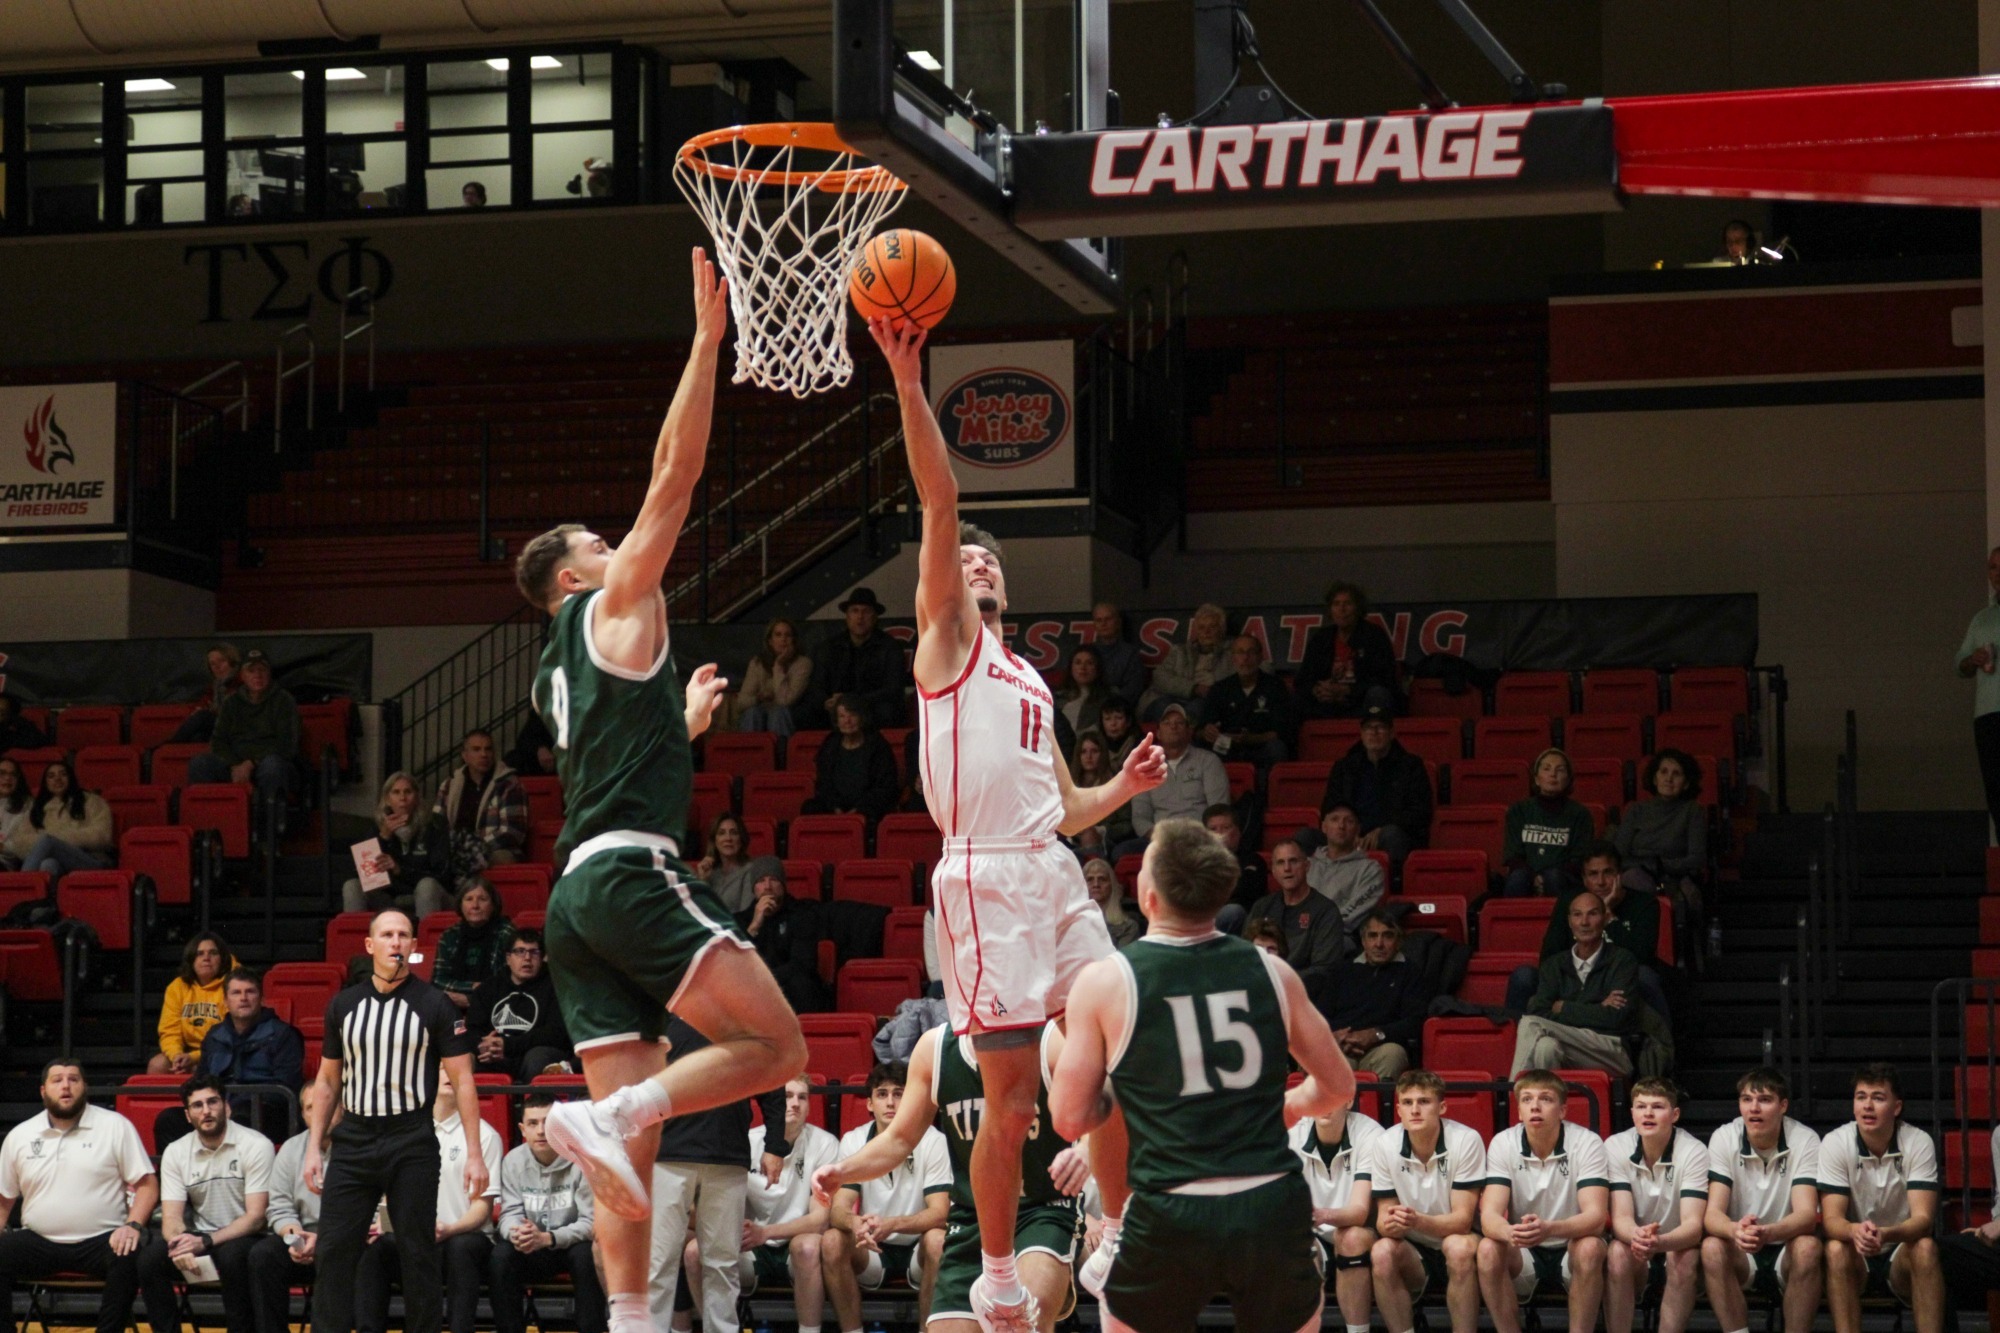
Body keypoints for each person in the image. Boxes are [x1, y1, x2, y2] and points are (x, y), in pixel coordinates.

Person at [512, 253, 809, 1333]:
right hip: (632, 876)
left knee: (620, 1154)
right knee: (779, 1050)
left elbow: (601, 763)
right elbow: (674, 480)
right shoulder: (608, 604)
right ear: (575, 578)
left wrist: (675, 728)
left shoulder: (555, 664)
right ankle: (622, 1109)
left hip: (573, 899)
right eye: (598, 544)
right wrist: (705, 345)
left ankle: (631, 1321)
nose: (617, 543)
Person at [870, 316, 1165, 1333]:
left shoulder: (1027, 674)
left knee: (1116, 1037)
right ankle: (995, 1267)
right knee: (1007, 1101)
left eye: (992, 564)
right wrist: (910, 383)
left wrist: (1118, 791)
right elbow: (939, 498)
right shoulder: (944, 645)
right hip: (982, 880)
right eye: (968, 562)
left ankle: (1115, 1228)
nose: (979, 566)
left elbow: (1063, 809)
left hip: (1049, 867)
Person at [1052, 817, 1355, 1332]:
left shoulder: (1106, 983)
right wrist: (1290, 1106)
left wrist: (1126, 1080)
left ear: (1146, 897)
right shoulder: (1273, 971)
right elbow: (1338, 1086)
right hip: (1269, 1202)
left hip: (1170, 1207)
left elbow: (1070, 1116)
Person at [813, 1023, 1085, 1333]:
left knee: (1026, 1324)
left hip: (1040, 1209)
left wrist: (1087, 1150)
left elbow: (1105, 1102)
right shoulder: (935, 1048)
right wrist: (843, 1170)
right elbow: (899, 1139)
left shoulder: (1052, 1038)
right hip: (972, 1218)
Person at [302, 909, 488, 1333]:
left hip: (412, 1139)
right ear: (370, 946)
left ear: (414, 947)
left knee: (418, 1253)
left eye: (404, 935)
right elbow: (328, 1081)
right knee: (333, 1252)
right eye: (387, 934)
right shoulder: (344, 1004)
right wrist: (315, 1146)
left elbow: (462, 1082)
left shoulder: (434, 1003)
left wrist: (475, 1154)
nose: (396, 942)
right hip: (354, 1140)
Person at [648, 1014, 789, 1333]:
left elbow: (772, 1081)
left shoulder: (746, 1024)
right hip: (668, 1156)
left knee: (723, 1264)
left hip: (728, 1156)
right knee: (658, 1264)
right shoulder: (655, 1018)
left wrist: (775, 1146)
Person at [0, 1061, 161, 1333]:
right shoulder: (20, 1135)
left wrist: (132, 1225)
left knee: (130, 1255)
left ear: (84, 1087)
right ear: (43, 1091)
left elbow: (147, 1184)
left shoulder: (115, 1126)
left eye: (74, 1079)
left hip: (103, 1240)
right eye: (57, 1080)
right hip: (40, 1240)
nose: (66, 1086)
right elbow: (4, 1197)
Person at [355, 1078, 506, 1333]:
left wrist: (448, 1229)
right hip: (415, 1236)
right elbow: (391, 1192)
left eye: (455, 1070)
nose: (449, 1074)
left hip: (464, 1236)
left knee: (461, 1248)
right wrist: (386, 1220)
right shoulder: (405, 1133)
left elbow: (482, 1209)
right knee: (374, 1250)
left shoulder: (484, 1135)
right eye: (441, 1068)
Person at [817, 1061, 951, 1330]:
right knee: (832, 1240)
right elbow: (837, 1208)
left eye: (899, 1093)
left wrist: (891, 1224)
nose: (890, 1102)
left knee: (938, 1240)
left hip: (918, 1250)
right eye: (882, 1094)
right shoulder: (853, 1140)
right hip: (870, 1250)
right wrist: (855, 1223)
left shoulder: (933, 1140)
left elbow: (940, 1213)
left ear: (912, 1099)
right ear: (869, 1104)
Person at [139, 1074, 274, 1333]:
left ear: (227, 1107)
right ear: (188, 1116)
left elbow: (256, 1217)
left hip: (248, 1237)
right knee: (149, 1260)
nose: (206, 1111)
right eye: (197, 1106)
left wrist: (205, 1241)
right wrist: (180, 1245)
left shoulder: (256, 1145)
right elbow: (171, 1218)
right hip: (202, 1238)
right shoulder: (176, 1152)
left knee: (233, 1256)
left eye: (213, 1102)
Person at [1476, 1071, 1610, 1333]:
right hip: (1524, 1250)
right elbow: (1489, 1216)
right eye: (1527, 1099)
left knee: (1591, 1247)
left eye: (1545, 1099)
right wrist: (1510, 1231)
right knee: (1488, 1248)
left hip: (1572, 1245)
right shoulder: (1503, 1142)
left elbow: (1595, 1217)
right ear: (1519, 1112)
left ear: (1562, 1110)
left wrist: (1550, 1228)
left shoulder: (1587, 1142)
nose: (1535, 1106)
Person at [1819, 1064, 1944, 1333]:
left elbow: (1924, 1221)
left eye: (1878, 1098)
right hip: (1856, 1252)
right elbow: (1831, 1220)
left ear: (1896, 1107)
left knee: (1925, 1247)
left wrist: (1886, 1234)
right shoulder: (1835, 1142)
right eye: (1861, 1097)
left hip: (1899, 1249)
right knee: (1834, 1249)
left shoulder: (1918, 1141)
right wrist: (1854, 1231)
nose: (1867, 1106)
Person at [1701, 1067, 1825, 1333]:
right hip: (1741, 1249)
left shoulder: (1805, 1139)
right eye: (1747, 1100)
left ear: (1783, 1106)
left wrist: (1768, 1232)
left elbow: (1806, 1216)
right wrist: (1735, 1230)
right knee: (1712, 1246)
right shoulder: (1724, 1137)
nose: (1753, 1108)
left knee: (1808, 1246)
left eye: (1764, 1100)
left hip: (1786, 1247)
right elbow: (1712, 1216)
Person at [1365, 1070, 1487, 1333]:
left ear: (1442, 1106)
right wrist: (1391, 1224)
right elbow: (1383, 1222)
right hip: (1414, 1248)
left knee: (1458, 1247)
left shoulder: (1466, 1140)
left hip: (1462, 1240)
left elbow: (1463, 1222)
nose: (1415, 1110)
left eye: (1424, 1101)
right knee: (1382, 1251)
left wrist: (1416, 1220)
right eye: (1408, 1103)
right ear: (1398, 1109)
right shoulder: (1385, 1144)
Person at [1505, 843, 1669, 1020]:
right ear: (1584, 879)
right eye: (1593, 874)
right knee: (1524, 977)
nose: (1601, 881)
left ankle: (1657, 1046)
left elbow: (1641, 958)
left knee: (1645, 977)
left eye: (1608, 872)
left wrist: (1607, 915)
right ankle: (1515, 1041)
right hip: (1574, 980)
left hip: (1619, 983)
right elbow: (1549, 957)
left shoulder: (1644, 904)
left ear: (1619, 875)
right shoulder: (1570, 901)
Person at [491, 1094, 607, 1333]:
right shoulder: (513, 1160)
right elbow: (508, 1214)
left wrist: (549, 1238)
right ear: (523, 1129)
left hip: (568, 1246)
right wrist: (517, 1233)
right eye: (533, 1123)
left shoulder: (582, 1160)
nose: (541, 1131)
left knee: (587, 1255)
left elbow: (591, 1222)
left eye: (548, 1122)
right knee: (500, 1256)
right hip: (529, 1247)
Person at [1603, 1078, 1708, 1333]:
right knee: (1617, 1252)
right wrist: (1638, 1237)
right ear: (1632, 1113)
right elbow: (1621, 1218)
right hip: (1635, 1246)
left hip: (1676, 1243)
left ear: (1675, 1115)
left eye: (1657, 1107)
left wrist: (1660, 1242)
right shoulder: (1615, 1146)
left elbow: (1693, 1227)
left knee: (1685, 1255)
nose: (1648, 1113)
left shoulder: (1694, 1151)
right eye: (1640, 1106)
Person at [742, 1075, 841, 1333]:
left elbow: (820, 1219)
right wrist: (752, 1233)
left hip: (793, 1244)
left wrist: (765, 1233)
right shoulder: (747, 1140)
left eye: (802, 1097)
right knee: (696, 1251)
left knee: (808, 1246)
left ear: (810, 1106)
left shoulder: (825, 1143)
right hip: (751, 1244)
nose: (795, 1103)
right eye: (786, 1096)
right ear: (772, 1103)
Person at [1512, 892, 1640, 1078]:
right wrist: (1597, 1007)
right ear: (1570, 921)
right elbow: (1539, 1009)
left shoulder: (1622, 961)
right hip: (1567, 1045)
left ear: (1605, 919)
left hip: (1610, 1051)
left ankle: (1512, 1097)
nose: (1584, 922)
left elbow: (1616, 1018)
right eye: (1577, 915)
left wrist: (1562, 1006)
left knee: (1530, 1024)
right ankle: (1547, 1104)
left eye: (1592, 914)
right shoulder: (1554, 965)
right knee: (1546, 1047)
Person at [1290, 1097, 1384, 1333]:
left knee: (1351, 1238)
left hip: (1359, 1230)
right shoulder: (1293, 1136)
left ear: (1348, 1101)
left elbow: (1360, 1212)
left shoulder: (1370, 1134)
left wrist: (1321, 1215)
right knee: (1296, 1243)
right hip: (1313, 1229)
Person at [184, 967, 306, 1146]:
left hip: (267, 1113)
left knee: (240, 1115)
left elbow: (287, 1090)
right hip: (216, 1109)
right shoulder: (214, 1036)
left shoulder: (283, 1034)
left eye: (250, 992)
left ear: (261, 998)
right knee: (169, 1119)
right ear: (225, 1000)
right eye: (236, 993)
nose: (243, 998)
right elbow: (200, 1081)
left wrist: (238, 1103)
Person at [252, 1081, 329, 1333]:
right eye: (309, 1108)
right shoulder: (291, 1149)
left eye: (324, 1105)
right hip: (300, 1235)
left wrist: (323, 1239)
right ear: (303, 1115)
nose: (317, 1113)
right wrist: (293, 1236)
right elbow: (279, 1206)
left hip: (345, 1239)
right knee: (262, 1255)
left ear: (340, 1106)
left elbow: (371, 1210)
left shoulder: (362, 1147)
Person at [1319, 908, 1430, 1078]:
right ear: (1363, 941)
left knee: (1393, 1054)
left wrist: (1376, 1034)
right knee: (1324, 1056)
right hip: (1341, 1045)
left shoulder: (1410, 973)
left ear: (1399, 941)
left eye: (1387, 936)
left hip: (1382, 1047)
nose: (1379, 944)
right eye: (1372, 936)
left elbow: (1414, 1023)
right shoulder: (1341, 971)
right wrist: (1336, 1036)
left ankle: (1373, 1105)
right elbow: (1319, 1015)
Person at [1318, 707, 1432, 864]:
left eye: (1380, 727)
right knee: (1306, 837)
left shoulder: (1411, 766)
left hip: (1389, 833)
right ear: (1361, 733)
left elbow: (1420, 812)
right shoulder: (1344, 767)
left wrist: (1381, 830)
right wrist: (1348, 831)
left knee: (1392, 835)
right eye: (1368, 728)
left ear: (1392, 733)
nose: (1374, 732)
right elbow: (1329, 807)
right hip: (1349, 831)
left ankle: (1395, 885)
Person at [188, 648, 299, 809]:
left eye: (262, 670)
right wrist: (234, 765)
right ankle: (211, 823)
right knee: (200, 763)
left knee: (273, 766)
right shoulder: (231, 702)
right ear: (242, 675)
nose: (257, 675)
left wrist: (251, 763)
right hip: (235, 764)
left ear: (269, 673)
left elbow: (287, 744)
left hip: (270, 763)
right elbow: (218, 741)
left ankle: (269, 825)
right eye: (251, 671)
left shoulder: (284, 701)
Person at [341, 771, 453, 920]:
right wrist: (384, 837)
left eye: (408, 792)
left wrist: (400, 870)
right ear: (387, 799)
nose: (403, 798)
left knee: (427, 886)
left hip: (427, 893)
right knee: (352, 886)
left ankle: (426, 941)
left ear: (417, 797)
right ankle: (355, 941)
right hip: (388, 896)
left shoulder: (434, 826)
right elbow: (361, 875)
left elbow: (442, 876)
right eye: (396, 792)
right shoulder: (376, 828)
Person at [1242, 839, 1347, 994]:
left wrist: (1280, 980)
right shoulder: (1262, 906)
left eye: (1293, 861)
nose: (1287, 868)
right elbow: (1244, 954)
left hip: (1304, 995)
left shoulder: (1326, 911)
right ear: (1274, 871)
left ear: (1307, 866)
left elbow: (1324, 970)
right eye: (1280, 863)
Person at [468, 927, 574, 1080]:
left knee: (537, 1058)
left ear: (543, 957)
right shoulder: (487, 989)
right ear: (508, 958)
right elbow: (471, 1030)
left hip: (535, 1054)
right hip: (496, 1055)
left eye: (534, 952)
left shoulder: (556, 987)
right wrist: (486, 1046)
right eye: (520, 951)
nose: (527, 958)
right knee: (466, 1058)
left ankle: (536, 1103)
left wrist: (508, 1045)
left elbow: (556, 1033)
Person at [1122, 702, 1225, 857]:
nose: (1173, 727)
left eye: (1179, 723)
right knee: (1121, 852)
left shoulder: (1208, 761)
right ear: (1158, 732)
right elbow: (1140, 817)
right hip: (1159, 839)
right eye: (1167, 723)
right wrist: (1160, 838)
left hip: (1199, 839)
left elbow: (1219, 810)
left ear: (1189, 731)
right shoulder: (1146, 766)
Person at [805, 587, 910, 732]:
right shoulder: (829, 647)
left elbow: (893, 689)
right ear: (847, 617)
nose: (860, 617)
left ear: (874, 618)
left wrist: (855, 701)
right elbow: (816, 685)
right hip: (837, 707)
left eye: (866, 611)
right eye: (855, 611)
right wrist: (826, 701)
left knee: (888, 711)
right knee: (807, 713)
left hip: (872, 706)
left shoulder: (890, 647)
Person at [433, 729, 528, 884]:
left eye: (488, 749)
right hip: (455, 849)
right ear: (465, 756)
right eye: (477, 749)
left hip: (494, 850)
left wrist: (474, 846)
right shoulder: (449, 785)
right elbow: (437, 826)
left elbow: (512, 832)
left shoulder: (509, 784)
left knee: (494, 857)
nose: (484, 754)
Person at [737, 856, 830, 1012]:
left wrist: (765, 981)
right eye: (761, 881)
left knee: (802, 984)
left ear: (783, 885)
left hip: (789, 990)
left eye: (773, 879)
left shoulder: (802, 915)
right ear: (754, 888)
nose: (767, 886)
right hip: (754, 992)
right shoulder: (741, 921)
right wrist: (754, 927)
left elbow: (802, 964)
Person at [1296, 582, 1399, 720]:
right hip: (1326, 703)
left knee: (1378, 695)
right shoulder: (1321, 638)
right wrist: (1317, 690)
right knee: (1295, 701)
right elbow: (1303, 679)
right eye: (1336, 604)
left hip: (1359, 703)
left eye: (1348, 604)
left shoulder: (1374, 635)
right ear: (1330, 609)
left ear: (1358, 608)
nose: (1341, 609)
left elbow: (1385, 679)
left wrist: (1348, 690)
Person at [1502, 748, 1594, 898]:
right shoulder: (1518, 811)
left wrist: (1546, 877)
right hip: (1525, 876)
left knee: (1554, 878)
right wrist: (1534, 878)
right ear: (1537, 779)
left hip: (1564, 877)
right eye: (1546, 769)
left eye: (1560, 770)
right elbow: (1513, 856)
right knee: (1519, 878)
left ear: (1569, 779)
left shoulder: (1580, 814)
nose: (1553, 774)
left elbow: (1579, 859)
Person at [1615, 751, 1708, 900]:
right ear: (1655, 779)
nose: (1669, 778)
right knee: (1630, 881)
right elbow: (1618, 855)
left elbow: (1696, 859)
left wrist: (1660, 865)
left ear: (1686, 784)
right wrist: (1646, 865)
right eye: (1664, 772)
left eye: (1676, 774)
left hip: (1676, 877)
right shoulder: (1636, 810)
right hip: (1638, 873)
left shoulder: (1692, 810)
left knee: (1685, 897)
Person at [5, 759, 112, 885]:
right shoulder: (38, 808)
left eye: (63, 774)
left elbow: (101, 836)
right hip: (56, 861)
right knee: (48, 864)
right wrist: (52, 842)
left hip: (91, 860)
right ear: (46, 782)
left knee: (48, 841)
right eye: (51, 776)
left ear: (70, 777)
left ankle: (22, 892)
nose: (57, 779)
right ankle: (42, 904)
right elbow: (19, 842)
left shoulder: (92, 801)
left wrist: (56, 841)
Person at [149, 929, 236, 1075]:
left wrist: (194, 1057)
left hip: (221, 1052)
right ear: (191, 959)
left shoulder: (232, 986)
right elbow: (170, 1030)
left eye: (213, 953)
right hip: (186, 1052)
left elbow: (228, 1035)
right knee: (157, 1064)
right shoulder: (177, 987)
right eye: (199, 953)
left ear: (222, 959)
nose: (206, 958)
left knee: (202, 1068)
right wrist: (176, 1056)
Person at [1198, 634, 1292, 766]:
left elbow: (1282, 732)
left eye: (1251, 652)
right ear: (1233, 658)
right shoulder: (1220, 688)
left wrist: (1251, 739)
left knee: (1277, 749)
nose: (1245, 658)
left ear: (1260, 657)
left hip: (1260, 747)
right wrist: (1208, 732)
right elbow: (1200, 730)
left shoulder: (1275, 687)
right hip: (1227, 747)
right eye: (1240, 652)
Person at [803, 698, 900, 823]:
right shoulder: (830, 745)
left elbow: (885, 787)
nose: (847, 721)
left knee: (878, 811)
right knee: (810, 808)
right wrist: (836, 808)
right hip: (835, 806)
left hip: (867, 806)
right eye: (842, 716)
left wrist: (858, 810)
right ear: (837, 721)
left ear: (861, 718)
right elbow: (824, 784)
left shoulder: (878, 746)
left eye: (852, 715)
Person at [1960, 545, 2000, 841]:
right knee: (1996, 788)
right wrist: (1971, 660)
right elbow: (1959, 665)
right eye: (1993, 568)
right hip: (1988, 715)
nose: (1997, 574)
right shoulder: (1981, 619)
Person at [1305, 802, 1386, 946]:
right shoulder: (1306, 865)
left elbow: (1354, 912)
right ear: (1324, 827)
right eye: (1335, 819)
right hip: (1301, 933)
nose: (1341, 826)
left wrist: (1319, 929)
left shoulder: (1370, 869)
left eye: (1349, 821)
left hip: (1339, 937)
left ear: (1358, 829)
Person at [430, 876, 516, 1010]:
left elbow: (508, 982)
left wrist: (472, 999)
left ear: (493, 905)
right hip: (453, 1005)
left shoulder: (507, 933)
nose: (475, 905)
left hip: (497, 1006)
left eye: (482, 899)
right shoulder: (449, 936)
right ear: (460, 904)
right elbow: (437, 980)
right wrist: (471, 987)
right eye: (469, 899)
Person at [1149, 603, 1229, 720]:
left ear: (1221, 629)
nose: (1206, 632)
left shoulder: (1231, 653)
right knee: (1161, 707)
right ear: (1196, 631)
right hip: (1175, 697)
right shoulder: (1179, 651)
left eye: (1212, 627)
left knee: (1197, 708)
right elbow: (1160, 677)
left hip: (1208, 700)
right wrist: (1193, 688)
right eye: (1201, 628)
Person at [738, 618, 812, 737]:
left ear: (794, 640)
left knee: (778, 713)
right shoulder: (757, 663)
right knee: (752, 713)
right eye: (778, 635)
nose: (783, 639)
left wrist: (779, 665)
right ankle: (751, 754)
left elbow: (784, 701)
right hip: (761, 711)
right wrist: (758, 698)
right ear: (770, 641)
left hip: (790, 715)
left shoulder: (803, 663)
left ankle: (781, 753)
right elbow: (741, 702)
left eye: (788, 635)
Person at [1065, 731, 1133, 859]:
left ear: (1102, 754)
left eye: (1094, 751)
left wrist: (1101, 830)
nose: (1088, 756)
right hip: (1071, 838)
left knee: (1089, 835)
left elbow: (1126, 825)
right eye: (1083, 752)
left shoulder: (1116, 783)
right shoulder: (1069, 785)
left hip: (1106, 841)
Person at [1204, 803, 1268, 934]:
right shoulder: (1196, 862)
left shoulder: (1253, 860)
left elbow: (1247, 891)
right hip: (1201, 918)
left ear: (1238, 832)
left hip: (1239, 919)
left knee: (1233, 912)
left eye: (1225, 828)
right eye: (1213, 829)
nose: (1219, 834)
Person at [171, 642, 244, 745]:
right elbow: (201, 705)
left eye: (221, 661)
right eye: (213, 664)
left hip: (238, 727)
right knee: (198, 737)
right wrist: (200, 709)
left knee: (203, 717)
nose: (217, 667)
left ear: (232, 662)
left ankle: (168, 745)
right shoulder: (214, 687)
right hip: (220, 728)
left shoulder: (243, 683)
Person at [695, 811, 757, 913]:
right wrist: (702, 881)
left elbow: (745, 916)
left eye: (734, 833)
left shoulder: (751, 870)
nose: (728, 838)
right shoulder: (708, 872)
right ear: (714, 841)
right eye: (721, 833)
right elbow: (696, 912)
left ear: (741, 839)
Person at [1080, 857, 1142, 947]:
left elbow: (1122, 959)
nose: (1096, 884)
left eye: (1102, 879)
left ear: (1112, 885)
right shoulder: (1070, 926)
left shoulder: (1129, 927)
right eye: (1090, 880)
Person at [1057, 644, 1111, 737]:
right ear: (1071, 667)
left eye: (1089, 663)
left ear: (1097, 668)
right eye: (1078, 662)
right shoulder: (1057, 699)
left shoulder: (1108, 700)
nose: (1083, 668)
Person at [1096, 696, 1140, 768]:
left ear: (1128, 721)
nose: (1113, 723)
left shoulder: (1141, 745)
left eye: (1119, 718)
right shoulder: (1096, 746)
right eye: (1107, 719)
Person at [0, 758, 27, 870]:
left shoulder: (27, 806)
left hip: (5, 863)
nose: (7, 778)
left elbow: (22, 846)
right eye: (2, 773)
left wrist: (2, 847)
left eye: (13, 774)